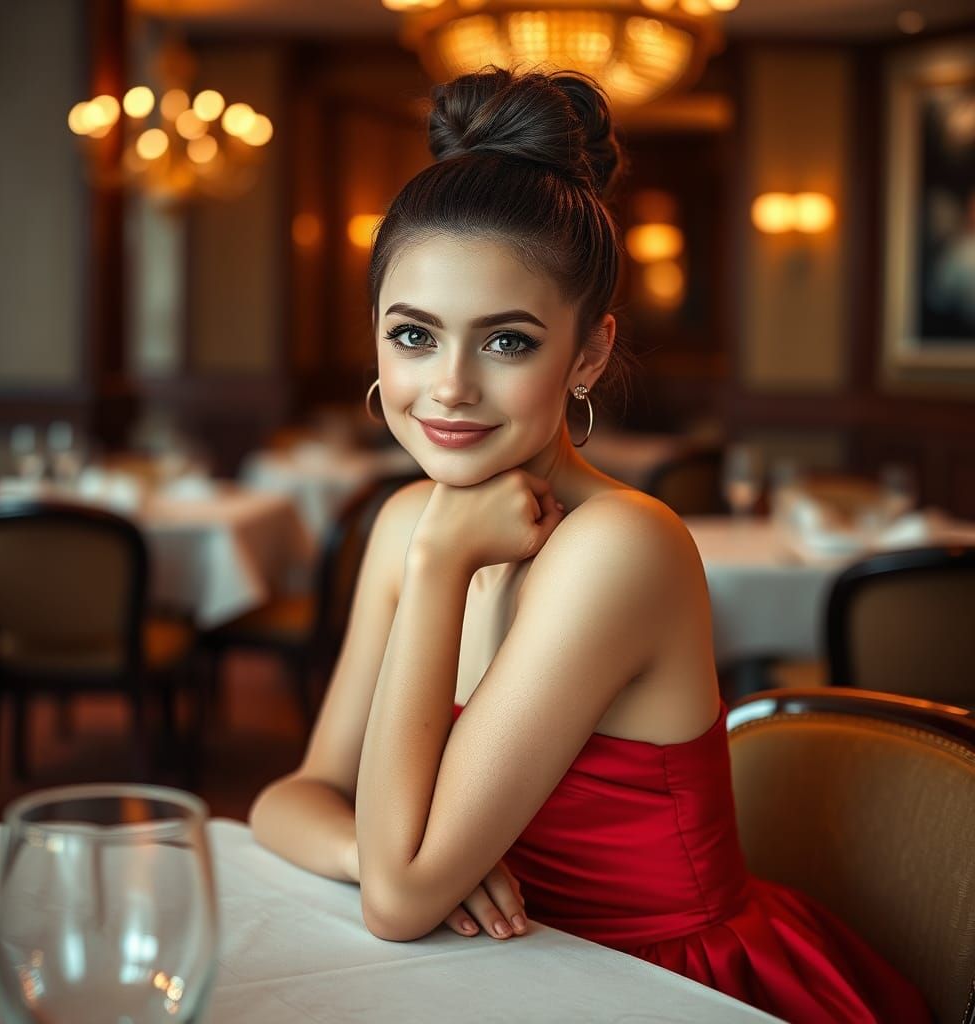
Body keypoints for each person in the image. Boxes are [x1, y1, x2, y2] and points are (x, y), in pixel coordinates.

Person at [250, 67, 931, 1023]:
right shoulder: (409, 519)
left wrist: (442, 568)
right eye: (414, 335)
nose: (447, 387)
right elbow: (298, 796)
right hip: (494, 974)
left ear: (589, 354)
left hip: (658, 988)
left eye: (507, 343)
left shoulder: (618, 546)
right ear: (375, 338)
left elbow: (402, 905)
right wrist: (370, 849)